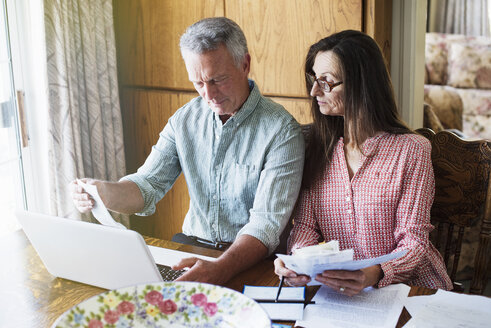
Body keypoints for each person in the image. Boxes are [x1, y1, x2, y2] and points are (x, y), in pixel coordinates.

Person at [71, 17, 305, 285]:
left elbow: (265, 226)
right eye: (198, 83)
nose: (209, 95)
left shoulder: (282, 131)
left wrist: (220, 268)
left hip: (251, 261)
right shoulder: (184, 120)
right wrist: (104, 192)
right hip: (190, 248)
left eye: (218, 80)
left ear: (245, 65)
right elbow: (146, 185)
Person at [274, 30, 452, 296]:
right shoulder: (316, 148)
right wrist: (298, 262)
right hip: (345, 292)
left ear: (361, 84)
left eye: (326, 82)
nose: (313, 91)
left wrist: (378, 272)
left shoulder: (412, 151)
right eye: (314, 79)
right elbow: (305, 228)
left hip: (411, 290)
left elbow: (415, 242)